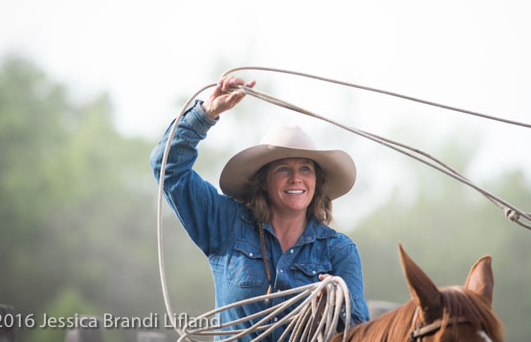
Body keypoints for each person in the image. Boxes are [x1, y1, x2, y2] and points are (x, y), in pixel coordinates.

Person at [150, 76, 369, 340]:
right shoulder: (227, 223)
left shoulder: (339, 250)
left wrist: (335, 308)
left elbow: (360, 333)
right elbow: (168, 167)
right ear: (263, 181)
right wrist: (206, 113)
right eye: (283, 169)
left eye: (305, 169)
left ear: (316, 181)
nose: (296, 178)